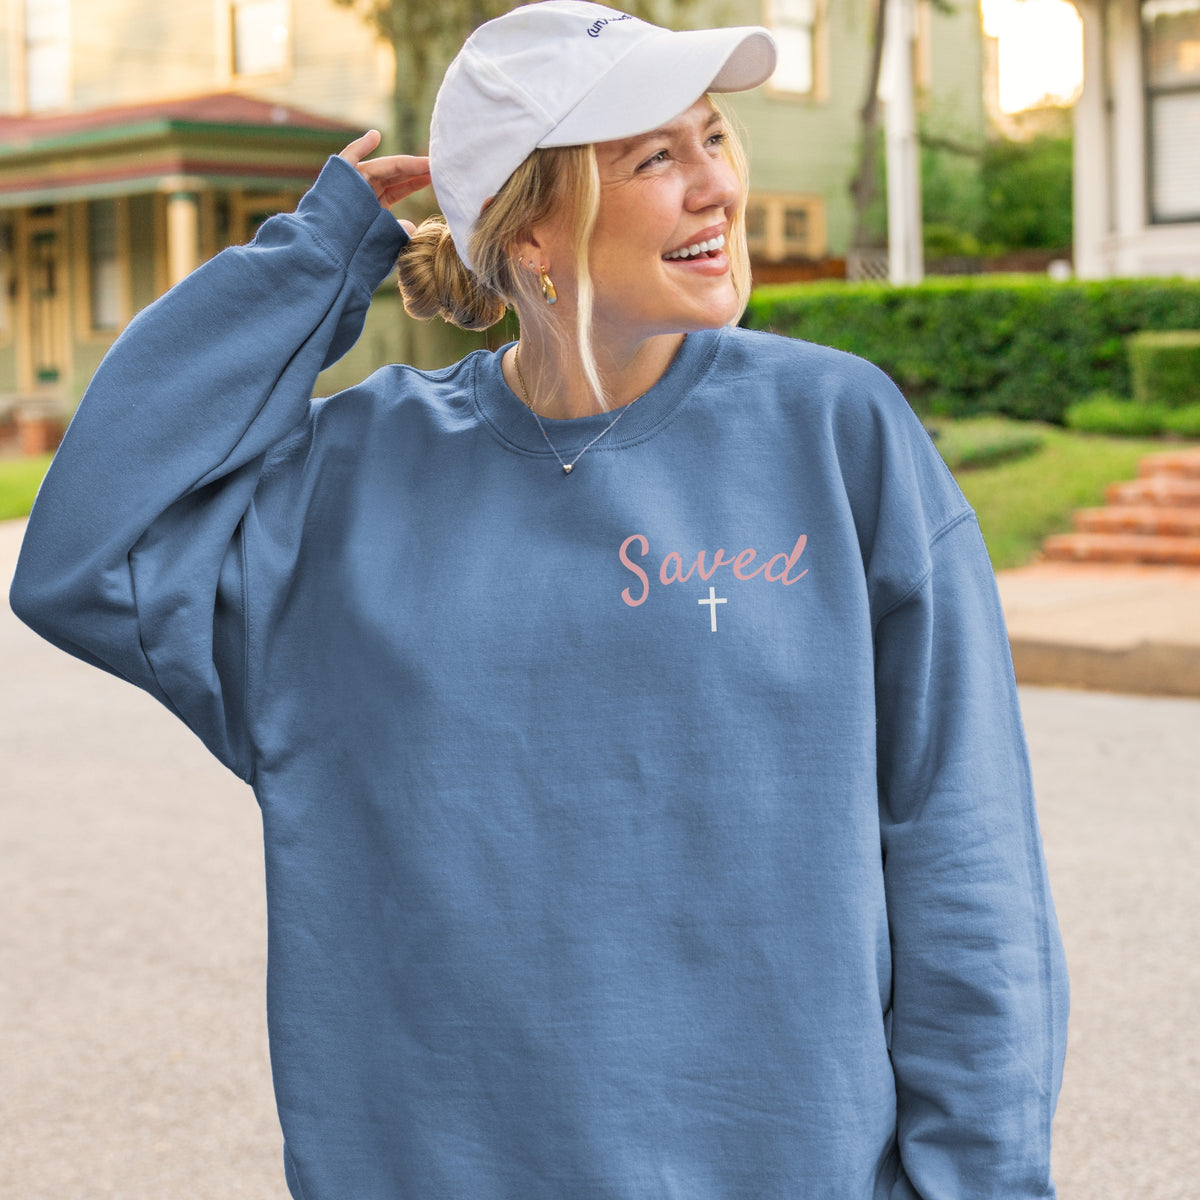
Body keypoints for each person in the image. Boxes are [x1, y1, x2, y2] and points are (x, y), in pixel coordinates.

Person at [9, 2, 1069, 1197]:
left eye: (713, 138)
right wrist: (316, 259)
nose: (715, 186)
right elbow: (85, 556)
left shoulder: (836, 432)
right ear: (530, 234)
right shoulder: (347, 487)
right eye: (652, 157)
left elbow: (965, 858)